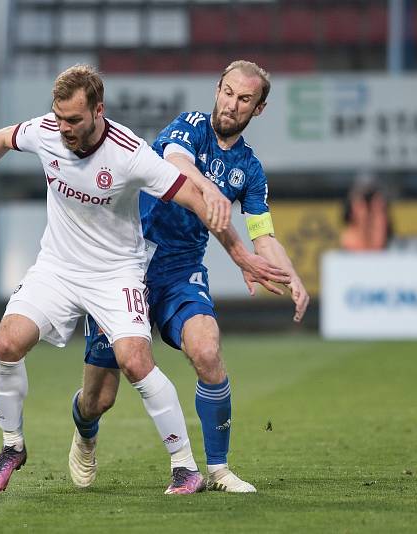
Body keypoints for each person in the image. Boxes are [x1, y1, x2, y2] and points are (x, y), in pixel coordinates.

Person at [0, 64, 283, 495]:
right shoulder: (46, 131)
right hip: (57, 266)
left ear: (99, 111)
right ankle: (12, 447)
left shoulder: (128, 152)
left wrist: (238, 248)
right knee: (7, 343)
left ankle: (185, 468)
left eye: (73, 120)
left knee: (134, 361)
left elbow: (189, 193)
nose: (63, 128)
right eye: (58, 117)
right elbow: (1, 139)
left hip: (116, 273)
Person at [71, 60, 310, 494]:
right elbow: (174, 162)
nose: (232, 104)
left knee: (207, 348)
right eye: (228, 92)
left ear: (258, 109)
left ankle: (217, 469)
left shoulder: (250, 170)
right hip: (123, 265)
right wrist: (209, 188)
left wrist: (291, 275)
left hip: (181, 270)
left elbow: (262, 233)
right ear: (217, 89)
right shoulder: (191, 126)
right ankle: (85, 430)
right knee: (99, 398)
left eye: (244, 99)